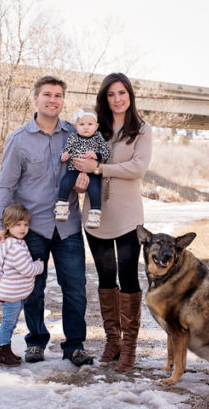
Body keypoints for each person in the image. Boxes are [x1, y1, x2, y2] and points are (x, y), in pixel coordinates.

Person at [0, 75, 94, 367]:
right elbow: (5, 187)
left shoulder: (75, 134)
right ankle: (35, 341)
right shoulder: (19, 139)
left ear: (63, 100)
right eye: (47, 94)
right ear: (35, 98)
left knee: (75, 287)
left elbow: (87, 170)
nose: (53, 100)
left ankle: (74, 345)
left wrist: (84, 182)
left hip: (67, 225)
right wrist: (0, 226)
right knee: (32, 288)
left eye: (58, 95)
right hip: (30, 228)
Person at [72, 72, 152, 373]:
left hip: (129, 216)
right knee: (106, 278)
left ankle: (130, 348)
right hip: (96, 215)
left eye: (122, 93)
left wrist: (100, 168)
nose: (117, 99)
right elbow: (80, 163)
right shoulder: (95, 128)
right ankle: (113, 341)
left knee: (128, 277)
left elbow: (137, 167)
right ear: (104, 98)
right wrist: (81, 176)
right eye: (111, 94)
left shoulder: (142, 130)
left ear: (129, 95)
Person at [0, 204, 44, 367]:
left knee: (10, 322)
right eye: (17, 224)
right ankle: (2, 352)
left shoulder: (8, 242)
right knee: (8, 323)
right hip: (12, 294)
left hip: (10, 291)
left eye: (25, 225)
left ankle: (5, 350)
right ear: (7, 225)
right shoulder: (16, 247)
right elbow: (27, 269)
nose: (22, 229)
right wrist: (39, 266)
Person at [55, 107, 111, 229]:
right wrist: (64, 156)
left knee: (95, 189)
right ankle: (62, 207)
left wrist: (96, 155)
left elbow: (106, 152)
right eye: (82, 124)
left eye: (90, 124)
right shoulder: (73, 137)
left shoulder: (98, 137)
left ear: (96, 126)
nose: (86, 127)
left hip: (92, 172)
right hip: (74, 169)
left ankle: (95, 215)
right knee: (65, 182)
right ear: (75, 126)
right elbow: (66, 150)